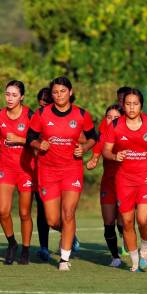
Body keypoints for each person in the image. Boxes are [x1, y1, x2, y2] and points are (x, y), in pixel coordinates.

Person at [27, 77, 96, 271]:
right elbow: (30, 138)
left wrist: (84, 148)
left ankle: (64, 259)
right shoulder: (41, 114)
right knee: (51, 220)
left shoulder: (82, 114)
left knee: (68, 213)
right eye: (55, 92)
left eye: (63, 91)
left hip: (71, 170)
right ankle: (69, 232)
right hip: (47, 171)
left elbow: (93, 138)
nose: (59, 95)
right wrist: (39, 144)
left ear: (70, 92)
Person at [102, 88, 147, 272]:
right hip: (124, 180)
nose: (131, 107)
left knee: (143, 218)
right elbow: (106, 150)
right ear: (123, 105)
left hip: (146, 178)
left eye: (135, 104)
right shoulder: (115, 125)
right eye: (128, 104)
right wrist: (115, 156)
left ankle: (145, 245)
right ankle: (135, 259)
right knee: (127, 222)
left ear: (141, 105)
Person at [0, 80, 34, 265]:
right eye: (7, 94)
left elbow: (38, 141)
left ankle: (25, 248)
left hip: (25, 169)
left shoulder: (30, 115)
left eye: (14, 95)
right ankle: (11, 243)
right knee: (3, 211)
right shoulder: (0, 114)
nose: (10, 98)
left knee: (24, 213)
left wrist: (20, 139)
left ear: (22, 97)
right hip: (6, 168)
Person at [85, 104, 124, 267]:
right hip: (108, 183)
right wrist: (93, 160)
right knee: (108, 222)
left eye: (116, 118)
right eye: (109, 117)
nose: (112, 120)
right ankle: (115, 256)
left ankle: (133, 244)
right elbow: (97, 153)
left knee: (124, 222)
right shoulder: (103, 136)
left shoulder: (128, 134)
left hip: (126, 183)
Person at [33, 87, 53, 262]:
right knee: (42, 211)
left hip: (63, 172)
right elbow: (30, 138)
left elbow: (83, 138)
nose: (42, 108)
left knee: (60, 215)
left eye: (45, 104)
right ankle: (44, 247)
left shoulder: (69, 116)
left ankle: (69, 233)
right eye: (40, 105)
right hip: (40, 170)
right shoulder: (37, 117)